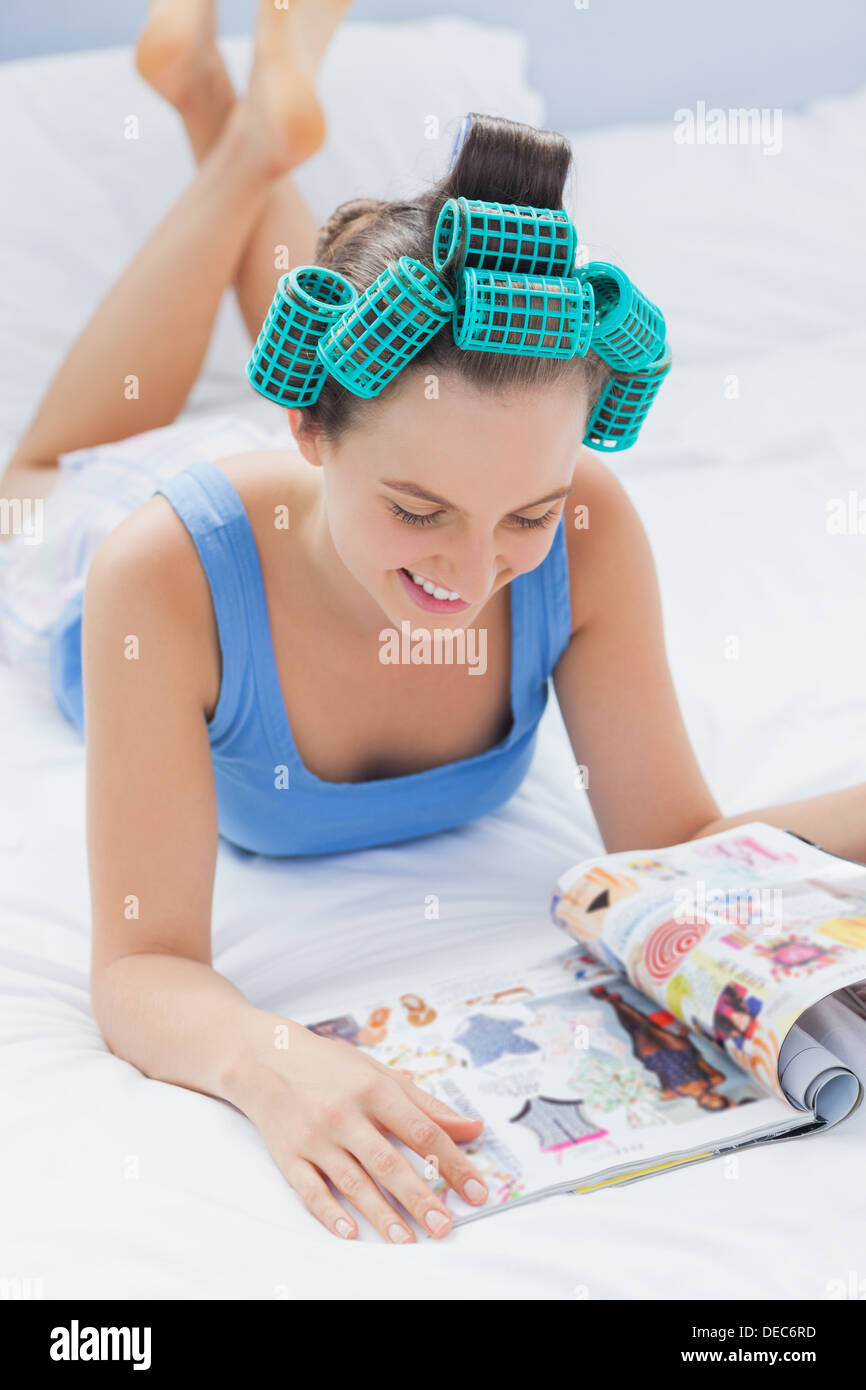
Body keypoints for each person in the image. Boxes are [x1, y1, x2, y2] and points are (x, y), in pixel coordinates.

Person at [1, 0, 864, 1244]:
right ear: (300, 437)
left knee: (384, 368)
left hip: (328, 480)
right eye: (422, 510)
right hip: (95, 543)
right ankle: (238, 138)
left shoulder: (580, 532)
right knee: (42, 469)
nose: (474, 575)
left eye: (527, 509)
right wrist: (268, 1059)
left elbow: (676, 846)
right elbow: (142, 971)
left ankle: (234, 113)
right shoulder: (157, 577)